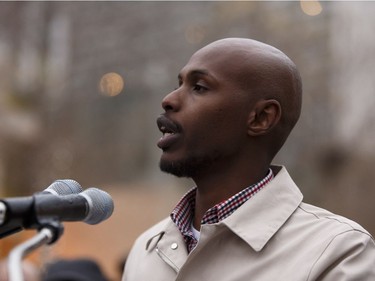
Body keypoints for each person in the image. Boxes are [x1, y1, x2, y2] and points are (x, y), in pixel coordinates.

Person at [122, 38, 375, 280]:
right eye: (179, 84)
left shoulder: (337, 252)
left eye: (199, 87)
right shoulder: (145, 250)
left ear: (261, 118)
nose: (169, 99)